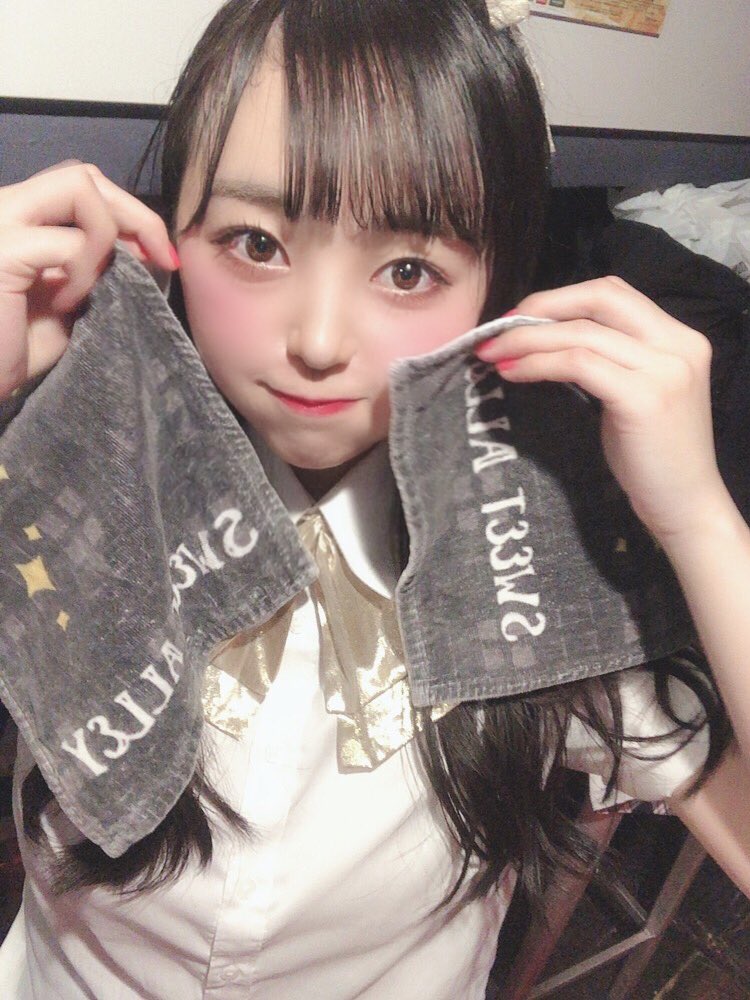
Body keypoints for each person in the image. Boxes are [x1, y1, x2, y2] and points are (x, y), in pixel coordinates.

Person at [0, 1, 749, 997]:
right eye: (256, 243)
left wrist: (699, 519)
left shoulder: (537, 540)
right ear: (168, 227)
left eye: (407, 269)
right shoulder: (68, 455)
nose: (317, 338)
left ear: (494, 281)